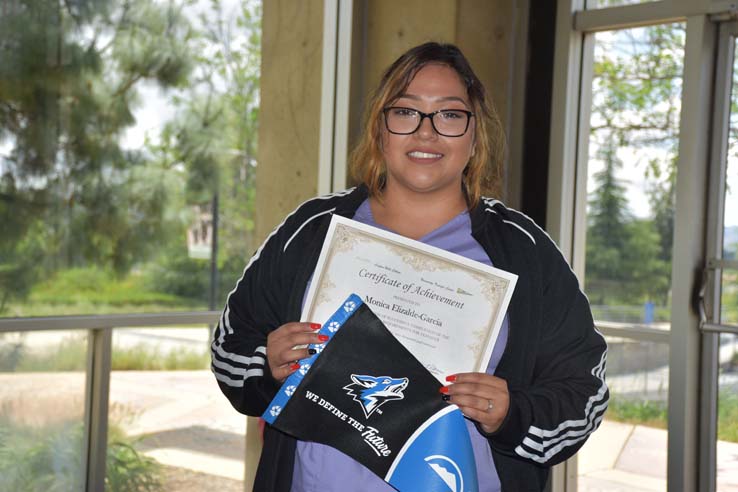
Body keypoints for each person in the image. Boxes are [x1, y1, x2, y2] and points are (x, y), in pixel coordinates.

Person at [212, 42, 608, 491]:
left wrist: (513, 415)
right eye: (405, 112)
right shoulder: (313, 230)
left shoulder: (524, 249)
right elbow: (230, 348)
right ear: (380, 129)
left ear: (475, 134)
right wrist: (268, 364)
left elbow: (585, 395)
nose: (426, 132)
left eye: (450, 114)